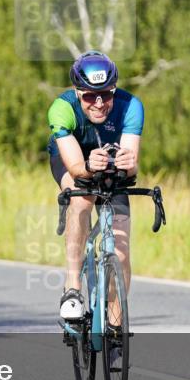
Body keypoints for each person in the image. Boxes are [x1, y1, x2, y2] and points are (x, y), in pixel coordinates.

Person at [46, 51, 144, 342]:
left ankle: (115, 325)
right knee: (82, 197)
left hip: (111, 165)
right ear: (78, 93)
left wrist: (128, 165)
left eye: (106, 95)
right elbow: (77, 168)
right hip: (73, 160)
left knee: (121, 250)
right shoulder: (62, 109)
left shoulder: (130, 106)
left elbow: (132, 164)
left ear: (114, 90)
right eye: (90, 96)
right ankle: (73, 287)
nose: (99, 103)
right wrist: (89, 166)